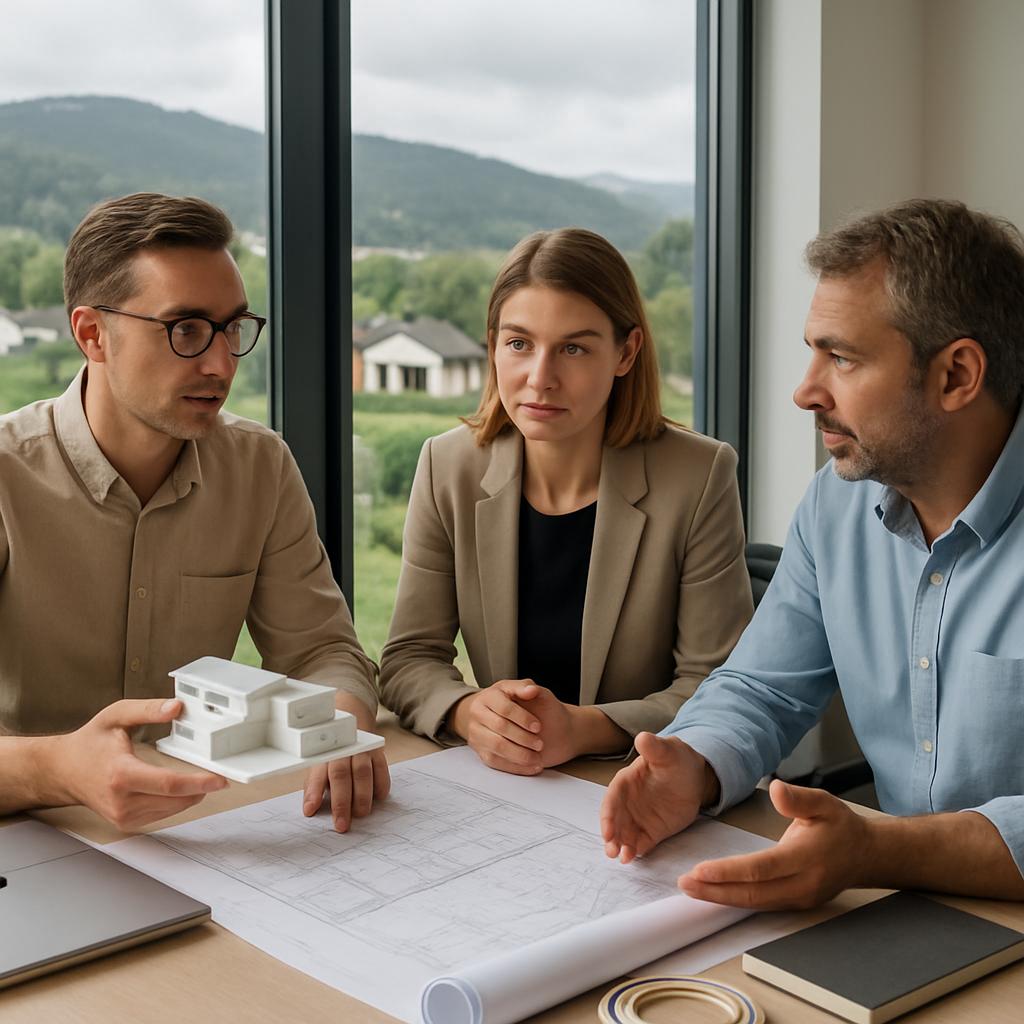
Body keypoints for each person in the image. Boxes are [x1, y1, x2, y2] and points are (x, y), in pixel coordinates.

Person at [601, 198, 1024, 907]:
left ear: (956, 376)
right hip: (900, 913)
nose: (805, 391)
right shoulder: (838, 501)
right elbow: (764, 686)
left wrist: (879, 849)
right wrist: (695, 762)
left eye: (843, 357)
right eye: (812, 350)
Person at [0, 193, 388, 833]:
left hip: (200, 828)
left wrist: (340, 728)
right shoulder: (7, 474)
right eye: (185, 329)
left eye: (232, 328)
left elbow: (322, 650)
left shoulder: (260, 467)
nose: (220, 363)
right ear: (93, 334)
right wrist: (60, 769)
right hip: (30, 832)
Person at [379, 228, 752, 774]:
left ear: (626, 352)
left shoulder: (698, 476)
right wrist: (466, 711)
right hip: (504, 784)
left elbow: (719, 686)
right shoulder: (448, 466)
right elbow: (409, 659)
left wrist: (582, 728)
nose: (540, 378)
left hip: (638, 778)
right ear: (493, 346)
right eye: (519, 343)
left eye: (573, 348)